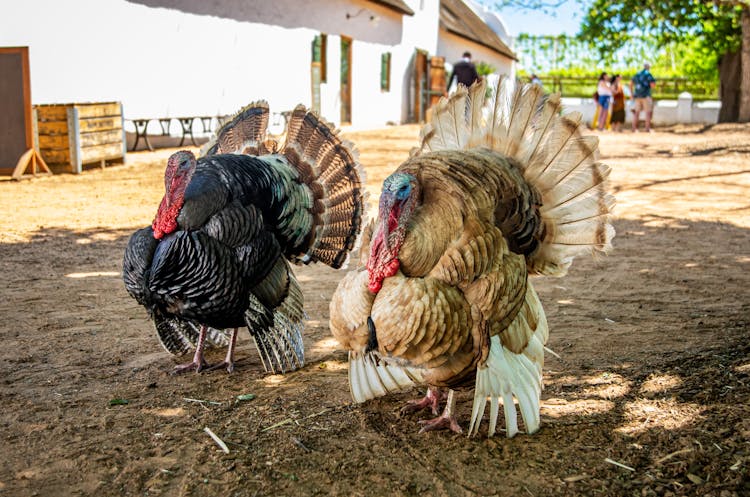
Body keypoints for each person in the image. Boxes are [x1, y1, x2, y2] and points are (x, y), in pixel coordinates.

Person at [630, 62, 656, 132]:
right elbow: (652, 85)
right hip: (646, 95)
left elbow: (631, 83)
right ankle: (647, 128)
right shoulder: (648, 74)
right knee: (648, 112)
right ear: (649, 67)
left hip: (637, 96)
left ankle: (634, 128)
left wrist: (631, 94)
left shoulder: (637, 74)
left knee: (636, 112)